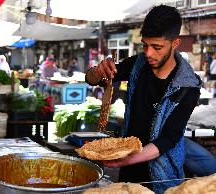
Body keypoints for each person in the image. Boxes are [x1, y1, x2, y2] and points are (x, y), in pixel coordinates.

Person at [85, 5, 201, 194]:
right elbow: (91, 79)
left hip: (163, 175)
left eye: (157, 47)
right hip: (128, 169)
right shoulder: (138, 65)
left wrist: (129, 158)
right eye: (145, 45)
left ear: (176, 43)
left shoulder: (188, 86)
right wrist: (98, 71)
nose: (148, 53)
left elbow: (169, 138)